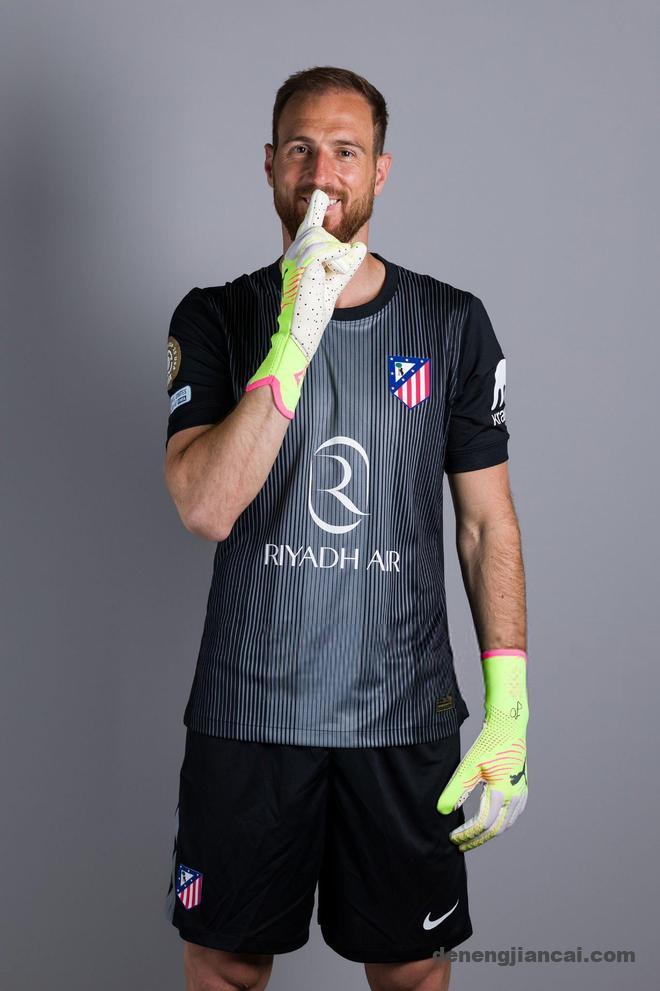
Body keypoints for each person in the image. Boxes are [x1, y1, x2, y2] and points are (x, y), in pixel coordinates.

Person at [163, 66, 528, 991]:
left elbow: (486, 523)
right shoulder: (216, 315)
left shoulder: (453, 322)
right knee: (225, 968)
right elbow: (206, 505)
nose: (321, 172)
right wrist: (297, 330)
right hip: (251, 712)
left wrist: (511, 703)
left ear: (380, 171)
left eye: (345, 151)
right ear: (269, 164)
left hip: (402, 715)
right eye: (300, 148)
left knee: (411, 973)